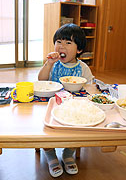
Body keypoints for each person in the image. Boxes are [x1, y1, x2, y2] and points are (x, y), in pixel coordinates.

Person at [38, 23, 93, 177]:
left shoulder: (83, 68)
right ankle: (50, 155)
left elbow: (90, 87)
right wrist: (48, 64)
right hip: (51, 104)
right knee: (45, 128)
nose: (62, 46)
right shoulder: (53, 64)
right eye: (59, 42)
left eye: (68, 43)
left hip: (74, 107)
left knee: (80, 129)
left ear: (79, 49)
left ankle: (68, 154)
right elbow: (41, 80)